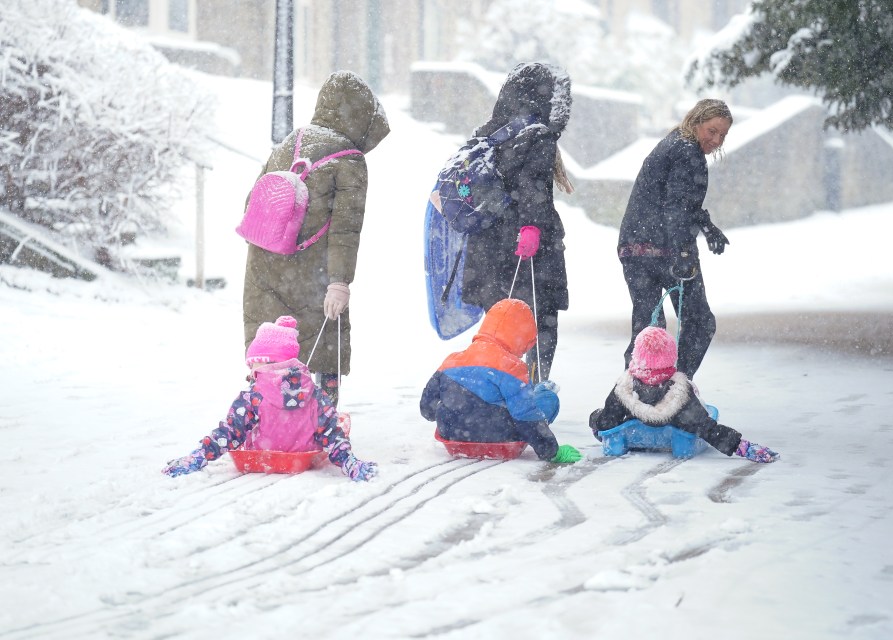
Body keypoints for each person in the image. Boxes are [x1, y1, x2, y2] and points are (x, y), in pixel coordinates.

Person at [242, 71, 390, 407]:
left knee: (270, 349)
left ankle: (267, 420)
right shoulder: (348, 159)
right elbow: (345, 228)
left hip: (264, 262)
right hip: (313, 273)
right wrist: (339, 282)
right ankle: (320, 423)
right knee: (323, 349)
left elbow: (251, 203)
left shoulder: (290, 142)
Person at [460, 62, 574, 381]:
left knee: (498, 325)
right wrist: (532, 227)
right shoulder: (537, 135)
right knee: (540, 321)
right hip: (527, 253)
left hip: (484, 249)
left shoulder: (487, 134)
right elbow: (533, 186)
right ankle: (532, 390)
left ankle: (494, 388)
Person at [162, 316, 378, 481]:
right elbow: (331, 434)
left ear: (265, 363)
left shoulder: (253, 396)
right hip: (301, 456)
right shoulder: (314, 394)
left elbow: (229, 433)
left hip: (261, 454)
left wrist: (200, 455)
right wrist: (348, 461)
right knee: (333, 422)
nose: (251, 372)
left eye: (252, 365)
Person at [618, 98, 733, 379]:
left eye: (723, 135)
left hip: (635, 247)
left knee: (649, 329)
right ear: (696, 123)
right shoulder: (687, 152)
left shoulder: (676, 143)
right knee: (700, 323)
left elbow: (680, 201)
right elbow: (676, 207)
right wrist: (682, 252)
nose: (717, 140)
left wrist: (707, 227)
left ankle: (632, 393)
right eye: (712, 131)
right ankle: (675, 387)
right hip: (664, 249)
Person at [420, 299, 581, 464]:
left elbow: (427, 410)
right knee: (547, 399)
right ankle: (542, 392)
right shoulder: (512, 367)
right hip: (502, 436)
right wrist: (552, 451)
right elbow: (526, 417)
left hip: (453, 434)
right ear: (521, 337)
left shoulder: (451, 361)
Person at [589, 326, 778, 463]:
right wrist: (739, 445)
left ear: (636, 357)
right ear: (672, 359)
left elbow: (607, 423)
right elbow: (707, 429)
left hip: (632, 432)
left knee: (599, 416)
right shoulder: (680, 394)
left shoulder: (623, 390)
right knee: (699, 422)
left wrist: (596, 424)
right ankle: (682, 445)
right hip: (673, 429)